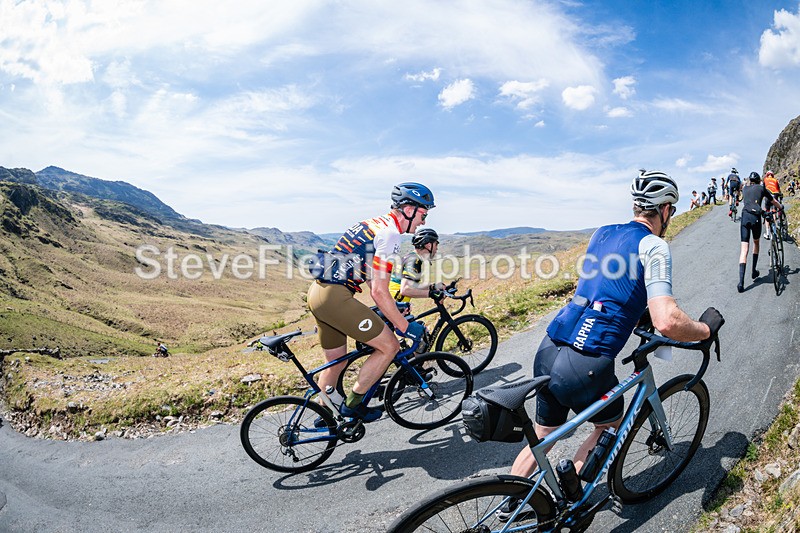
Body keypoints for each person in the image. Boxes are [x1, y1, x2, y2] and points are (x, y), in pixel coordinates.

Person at [501, 170, 724, 519]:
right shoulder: (654, 245)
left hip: (550, 346)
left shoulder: (601, 233)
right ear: (665, 210)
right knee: (612, 425)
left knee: (546, 436)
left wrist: (635, 315)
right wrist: (703, 331)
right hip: (586, 362)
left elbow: (604, 287)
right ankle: (568, 501)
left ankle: (509, 504)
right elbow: (667, 320)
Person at [307, 182, 434, 422]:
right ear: (408, 209)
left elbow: (368, 274)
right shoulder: (391, 234)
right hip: (335, 297)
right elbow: (378, 290)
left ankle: (326, 416)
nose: (423, 222)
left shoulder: (372, 224)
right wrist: (405, 326)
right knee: (390, 347)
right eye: (423, 214)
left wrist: (391, 309)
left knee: (334, 363)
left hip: (318, 293)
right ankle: (353, 406)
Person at [737, 172, 782, 292]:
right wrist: (780, 207)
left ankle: (741, 283)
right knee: (756, 243)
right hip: (755, 218)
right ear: (759, 180)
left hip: (745, 217)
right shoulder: (762, 188)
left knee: (744, 249)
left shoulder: (745, 188)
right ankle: (753, 271)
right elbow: (773, 201)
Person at [389, 228, 446, 303]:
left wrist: (432, 287)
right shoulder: (414, 261)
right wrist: (431, 294)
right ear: (429, 245)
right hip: (396, 306)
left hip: (396, 303)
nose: (437, 248)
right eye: (436, 244)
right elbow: (405, 290)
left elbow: (412, 285)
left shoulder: (411, 257)